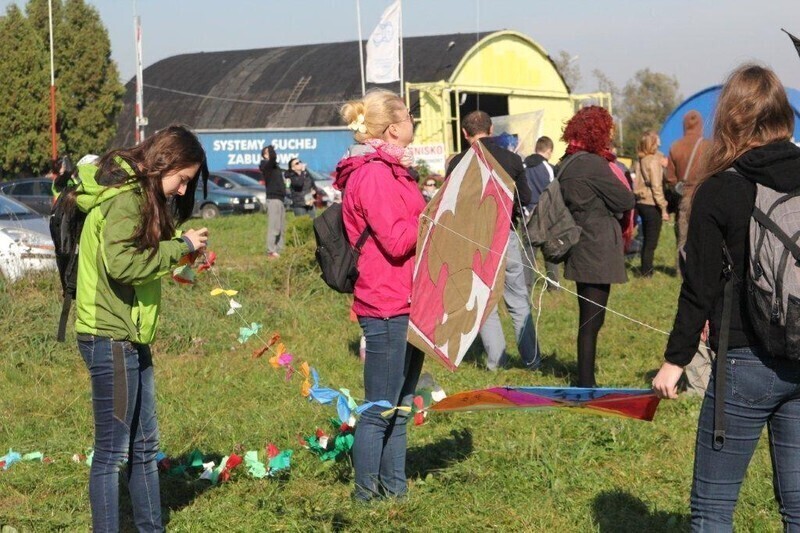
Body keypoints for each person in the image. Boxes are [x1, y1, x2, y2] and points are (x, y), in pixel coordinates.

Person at [652, 64, 800, 530]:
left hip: (743, 360)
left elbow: (699, 286)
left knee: (713, 508)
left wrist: (676, 360)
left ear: (731, 119)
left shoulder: (720, 189)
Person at [69, 125, 209, 532]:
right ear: (163, 161)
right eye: (182, 179)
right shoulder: (127, 198)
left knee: (145, 447)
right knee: (112, 453)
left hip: (131, 337)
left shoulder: (138, 196)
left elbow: (143, 258)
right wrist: (180, 247)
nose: (183, 191)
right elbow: (124, 264)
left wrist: (181, 254)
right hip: (108, 336)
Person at [334, 89, 426, 501]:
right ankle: (364, 497)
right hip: (386, 302)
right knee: (378, 409)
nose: (413, 123)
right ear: (393, 127)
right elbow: (396, 239)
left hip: (410, 297)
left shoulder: (394, 170)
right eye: (409, 116)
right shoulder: (373, 174)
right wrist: (434, 219)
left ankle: (396, 491)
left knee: (401, 408)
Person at [446, 110, 539, 371]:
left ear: (465, 134)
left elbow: (451, 205)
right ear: (491, 130)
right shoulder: (511, 159)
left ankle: (496, 361)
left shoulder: (457, 163)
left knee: (484, 301)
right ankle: (532, 360)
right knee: (518, 297)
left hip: (473, 239)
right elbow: (526, 196)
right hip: (505, 234)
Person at [558, 106, 635, 387]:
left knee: (589, 317)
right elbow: (625, 201)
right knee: (592, 321)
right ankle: (586, 382)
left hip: (579, 244)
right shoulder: (593, 164)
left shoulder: (567, 162)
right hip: (598, 246)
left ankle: (585, 378)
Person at [666, 110, 711, 250]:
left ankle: (683, 270)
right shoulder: (709, 146)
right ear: (701, 125)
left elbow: (670, 178)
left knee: (683, 241)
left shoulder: (675, 146)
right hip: (705, 197)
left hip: (684, 197)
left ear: (684, 125)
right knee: (705, 240)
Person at [522, 135, 558, 293]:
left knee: (528, 253)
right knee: (550, 251)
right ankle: (553, 285)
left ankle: (526, 287)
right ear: (549, 151)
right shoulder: (548, 168)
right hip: (546, 214)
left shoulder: (523, 165)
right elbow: (553, 193)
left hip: (527, 214)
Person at [632, 131, 670, 277]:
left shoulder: (640, 159)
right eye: (657, 139)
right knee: (651, 242)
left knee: (646, 239)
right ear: (653, 142)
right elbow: (656, 186)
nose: (660, 141)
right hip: (651, 203)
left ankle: (645, 269)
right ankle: (647, 272)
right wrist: (663, 207)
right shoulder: (653, 161)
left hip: (641, 202)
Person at [260, 145, 285, 258]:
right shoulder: (265, 165)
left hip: (280, 198)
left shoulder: (276, 167)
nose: (271, 153)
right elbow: (273, 158)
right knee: (274, 226)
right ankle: (271, 250)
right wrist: (270, 148)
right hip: (273, 198)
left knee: (281, 226)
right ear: (265, 155)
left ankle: (280, 249)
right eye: (269, 152)